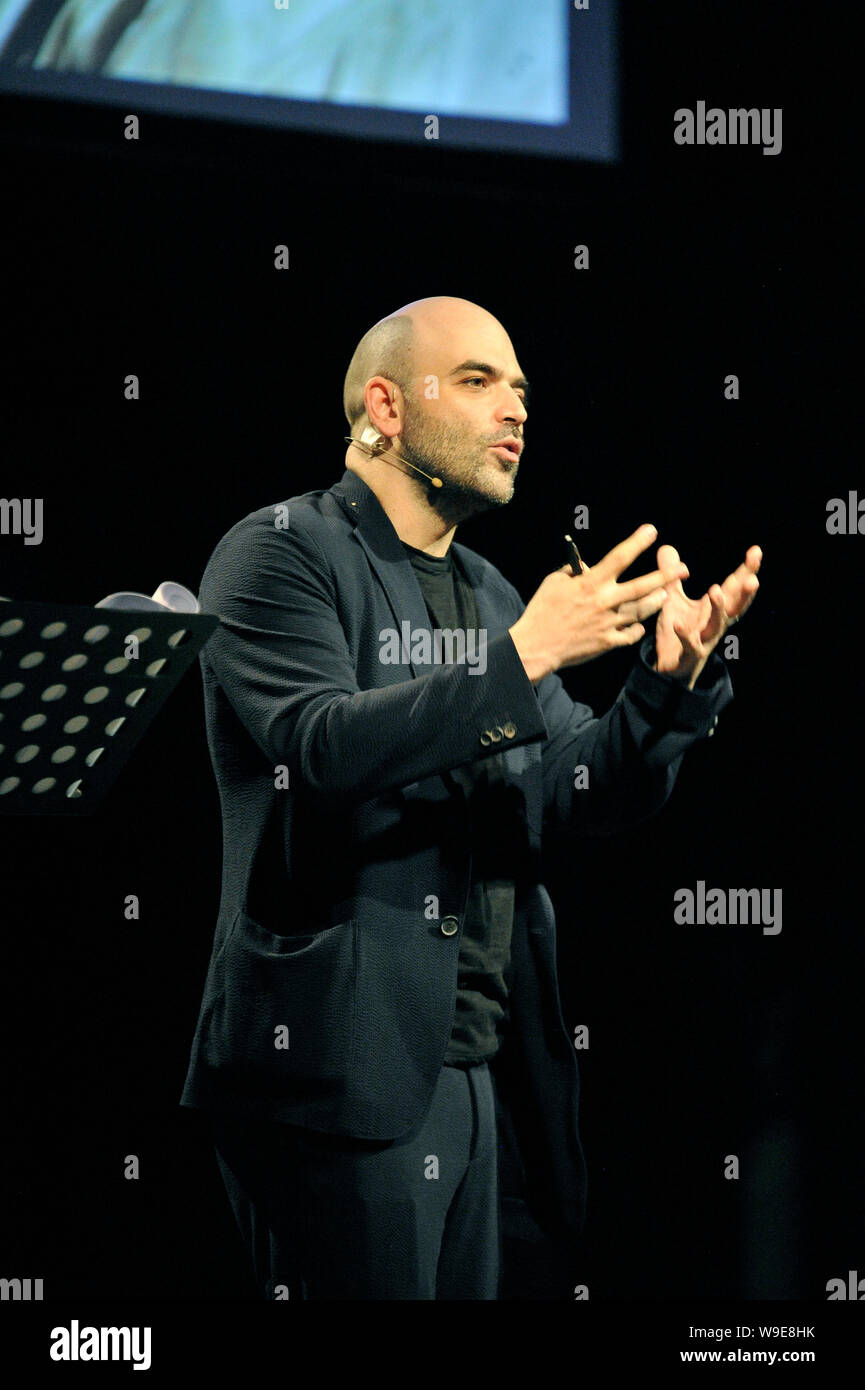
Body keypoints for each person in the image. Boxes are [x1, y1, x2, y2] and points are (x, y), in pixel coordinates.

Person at [179, 295, 761, 1300]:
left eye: (523, 390)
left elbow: (567, 791)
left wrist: (664, 688)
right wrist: (528, 652)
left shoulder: (489, 594)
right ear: (387, 407)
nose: (517, 410)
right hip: (333, 1078)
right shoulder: (278, 552)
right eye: (482, 380)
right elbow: (316, 748)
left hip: (476, 1076)